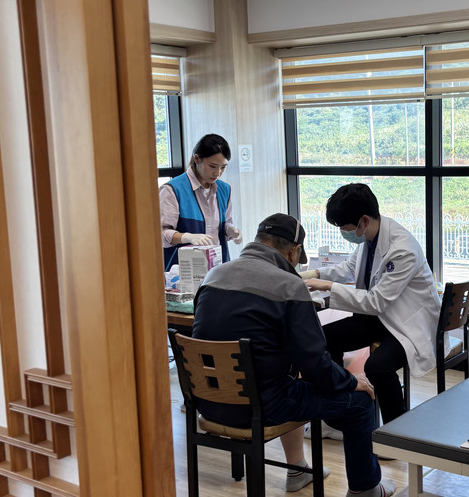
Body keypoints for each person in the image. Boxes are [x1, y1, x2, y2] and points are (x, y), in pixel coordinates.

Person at [192, 213, 396, 497]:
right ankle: (366, 490)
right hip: (262, 407)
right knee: (361, 400)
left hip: (207, 403)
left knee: (285, 377)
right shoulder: (289, 285)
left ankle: (297, 469)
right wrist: (352, 382)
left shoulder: (213, 276)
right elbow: (315, 364)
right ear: (293, 251)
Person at [303, 183, 442, 424]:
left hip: (407, 324)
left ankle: (396, 431)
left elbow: (376, 302)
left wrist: (328, 287)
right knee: (322, 340)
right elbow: (349, 268)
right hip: (381, 318)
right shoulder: (371, 236)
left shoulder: (402, 250)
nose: (343, 232)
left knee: (377, 367)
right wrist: (314, 274)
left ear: (364, 220)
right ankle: (339, 407)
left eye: (344, 227)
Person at [160, 133, 243, 271]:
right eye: (213, 166)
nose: (218, 173)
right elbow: (161, 234)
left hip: (217, 269)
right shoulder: (172, 190)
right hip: (183, 272)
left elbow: (224, 224)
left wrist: (230, 230)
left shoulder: (224, 190)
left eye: (223, 167)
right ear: (197, 159)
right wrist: (187, 237)